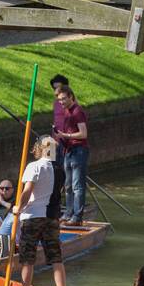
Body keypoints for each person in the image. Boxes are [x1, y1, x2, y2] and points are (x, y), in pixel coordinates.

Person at [11, 136, 71, 286]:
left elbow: (28, 191)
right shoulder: (60, 169)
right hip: (52, 218)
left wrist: (18, 208)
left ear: (39, 149)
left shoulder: (34, 166)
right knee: (56, 259)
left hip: (32, 217)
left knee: (27, 259)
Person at [53, 85, 89, 224]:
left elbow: (84, 133)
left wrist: (65, 135)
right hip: (68, 151)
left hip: (78, 151)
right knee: (67, 185)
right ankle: (68, 214)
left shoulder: (77, 112)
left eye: (63, 99)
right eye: (59, 100)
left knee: (77, 186)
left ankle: (77, 217)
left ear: (71, 97)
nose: (61, 102)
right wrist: (59, 137)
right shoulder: (67, 111)